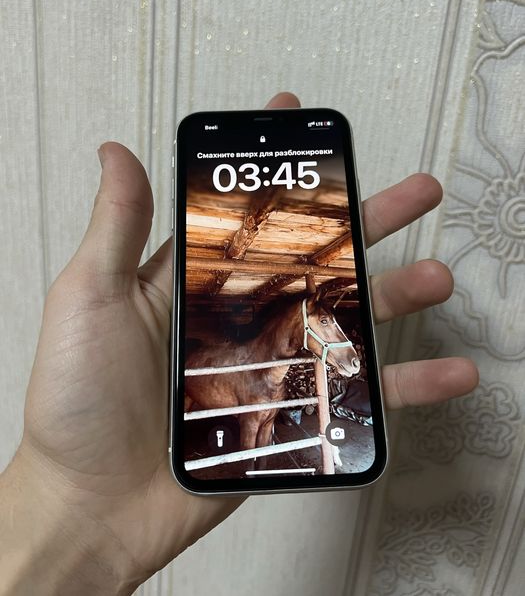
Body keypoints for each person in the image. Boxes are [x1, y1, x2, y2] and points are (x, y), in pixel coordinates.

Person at [0, 92, 478, 595]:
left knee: (267, 421)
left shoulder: (289, 352)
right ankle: (250, 465)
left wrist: (67, 521)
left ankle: (255, 463)